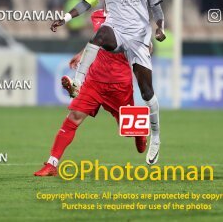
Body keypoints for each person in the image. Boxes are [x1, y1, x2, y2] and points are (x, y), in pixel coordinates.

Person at [50, 0, 165, 165]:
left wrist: (159, 29)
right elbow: (86, 2)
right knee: (100, 35)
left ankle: (155, 137)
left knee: (147, 93)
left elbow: (156, 8)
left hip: (135, 46)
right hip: (108, 51)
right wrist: (65, 18)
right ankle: (77, 83)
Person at [35, 10, 147, 176]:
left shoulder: (132, 17)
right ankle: (52, 164)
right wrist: (82, 54)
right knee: (73, 118)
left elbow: (146, 44)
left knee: (127, 129)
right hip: (94, 81)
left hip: (119, 84)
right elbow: (96, 39)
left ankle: (140, 134)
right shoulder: (98, 15)